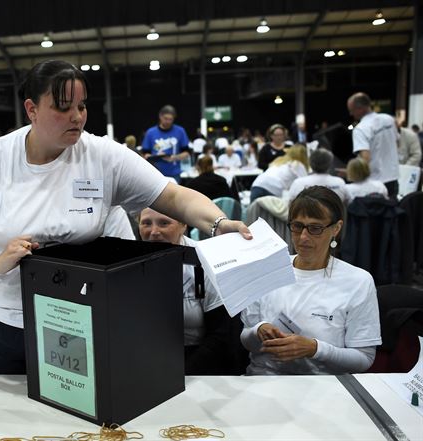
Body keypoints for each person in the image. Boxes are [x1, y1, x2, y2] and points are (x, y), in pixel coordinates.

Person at [0, 60, 251, 375]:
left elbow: (173, 196)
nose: (76, 117)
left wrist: (219, 223)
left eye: (81, 106)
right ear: (31, 109)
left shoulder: (102, 156)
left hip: (70, 318)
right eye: (63, 107)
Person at [240, 186, 381, 375]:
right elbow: (245, 340)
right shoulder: (267, 270)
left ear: (336, 229)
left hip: (325, 388)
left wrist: (315, 349)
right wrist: (258, 330)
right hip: (264, 379)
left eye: (315, 228)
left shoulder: (358, 282)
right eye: (297, 226)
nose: (303, 237)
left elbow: (364, 359)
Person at [139, 207, 247, 375]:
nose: (154, 232)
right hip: (149, 359)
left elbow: (221, 335)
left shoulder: (206, 260)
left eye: (164, 223)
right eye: (146, 223)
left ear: (184, 225)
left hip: (201, 361)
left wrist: (180, 375)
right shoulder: (130, 261)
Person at [347, 92, 399, 198]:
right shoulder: (388, 119)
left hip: (375, 183)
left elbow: (365, 158)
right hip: (393, 178)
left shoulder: (361, 128)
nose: (351, 114)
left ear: (360, 108)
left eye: (351, 110)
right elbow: (397, 142)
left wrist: (351, 172)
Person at [141, 105, 191, 182]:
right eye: (165, 119)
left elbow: (187, 152)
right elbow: (144, 154)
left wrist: (174, 157)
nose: (168, 121)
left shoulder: (180, 131)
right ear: (160, 116)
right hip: (155, 173)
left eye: (170, 119)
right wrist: (153, 156)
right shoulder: (150, 132)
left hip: (174, 173)